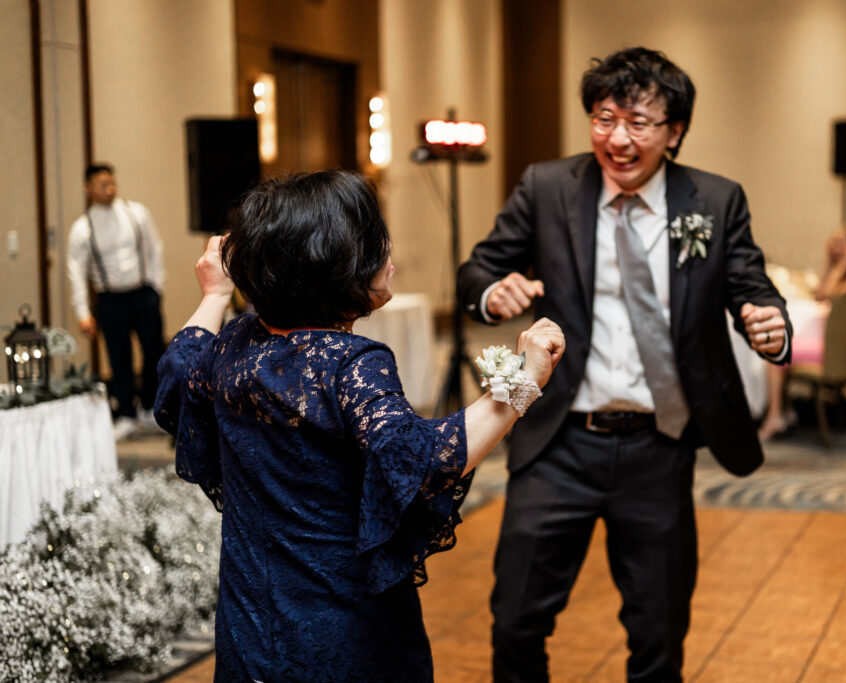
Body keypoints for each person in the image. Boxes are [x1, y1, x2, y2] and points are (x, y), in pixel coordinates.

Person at [456, 47, 791, 681]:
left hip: (659, 448)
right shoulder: (549, 188)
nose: (618, 138)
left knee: (658, 633)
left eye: (639, 122)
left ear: (675, 132)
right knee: (516, 620)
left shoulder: (714, 202)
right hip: (558, 443)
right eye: (604, 118)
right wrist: (490, 291)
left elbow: (753, 289)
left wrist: (768, 328)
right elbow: (479, 266)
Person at [154, 170, 565, 682]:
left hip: (250, 629)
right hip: (340, 635)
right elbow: (423, 460)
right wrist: (524, 382)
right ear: (335, 263)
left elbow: (177, 377)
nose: (388, 252)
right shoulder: (350, 363)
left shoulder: (237, 342)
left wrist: (215, 295)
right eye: (375, 241)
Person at [67, 163, 165, 441]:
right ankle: (125, 413)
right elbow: (76, 272)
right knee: (119, 357)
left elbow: (154, 249)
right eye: (101, 184)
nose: (108, 189)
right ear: (88, 189)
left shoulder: (136, 213)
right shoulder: (82, 228)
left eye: (111, 183)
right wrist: (83, 312)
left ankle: (150, 407)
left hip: (142, 294)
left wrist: (156, 286)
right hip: (110, 299)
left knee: (153, 352)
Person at [759, 225, 846, 440]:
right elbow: (819, 294)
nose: (836, 248)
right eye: (834, 243)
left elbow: (827, 294)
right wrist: (830, 262)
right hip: (836, 346)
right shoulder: (845, 273)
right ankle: (785, 411)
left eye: (841, 243)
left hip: (843, 352)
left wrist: (843, 264)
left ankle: (775, 415)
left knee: (777, 350)